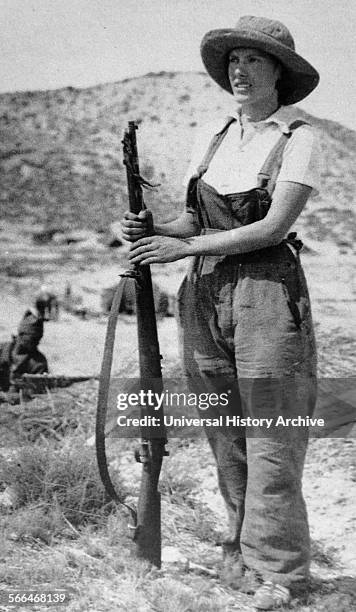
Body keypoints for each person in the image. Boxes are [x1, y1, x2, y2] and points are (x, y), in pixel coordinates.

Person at [121, 15, 320, 610]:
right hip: (203, 296)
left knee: (272, 436)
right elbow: (193, 222)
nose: (238, 70)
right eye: (232, 60)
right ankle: (237, 551)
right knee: (223, 430)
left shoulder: (298, 137)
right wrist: (154, 228)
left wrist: (185, 247)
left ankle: (280, 572)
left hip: (268, 296)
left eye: (253, 60)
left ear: (279, 73)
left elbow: (272, 226)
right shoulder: (213, 138)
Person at [0, 307, 48, 397]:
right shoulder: (2, 350)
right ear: (21, 335)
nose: (36, 342)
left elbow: (36, 396)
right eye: (32, 338)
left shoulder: (39, 363)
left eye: (38, 338)